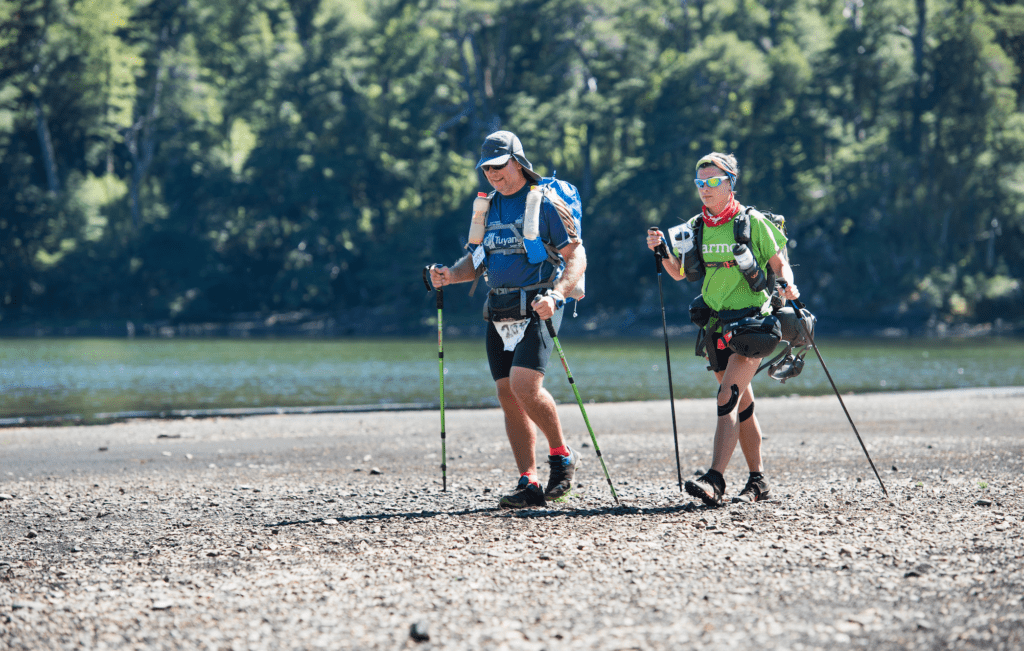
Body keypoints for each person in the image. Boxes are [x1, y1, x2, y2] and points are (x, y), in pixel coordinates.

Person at [430, 131, 587, 508]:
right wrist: (449, 275)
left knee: (524, 385)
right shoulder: (487, 208)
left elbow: (576, 255)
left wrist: (557, 295)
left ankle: (562, 457)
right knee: (507, 393)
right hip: (499, 306)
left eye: (499, 166)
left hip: (539, 304)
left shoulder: (544, 203)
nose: (493, 174)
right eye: (486, 168)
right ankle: (528, 481)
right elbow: (476, 262)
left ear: (518, 162)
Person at [646, 152, 800, 507]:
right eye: (700, 183)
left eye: (713, 181)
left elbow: (780, 265)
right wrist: (662, 251)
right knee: (741, 402)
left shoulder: (752, 222)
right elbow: (680, 273)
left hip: (754, 323)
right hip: (716, 324)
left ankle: (715, 479)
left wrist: (787, 285)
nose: (706, 188)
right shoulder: (695, 226)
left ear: (731, 182)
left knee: (726, 396)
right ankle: (758, 481)